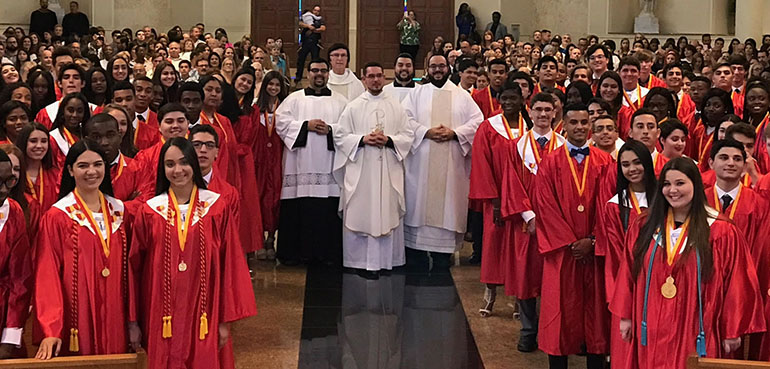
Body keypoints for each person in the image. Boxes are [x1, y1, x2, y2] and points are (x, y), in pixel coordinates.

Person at [611, 157, 765, 369]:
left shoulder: (721, 232)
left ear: (696, 185)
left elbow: (736, 283)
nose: (672, 190)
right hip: (651, 324)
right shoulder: (644, 226)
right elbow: (628, 272)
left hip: (696, 327)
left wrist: (732, 330)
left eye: (680, 183)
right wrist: (626, 316)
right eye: (666, 184)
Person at [129, 138, 256, 369]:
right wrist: (134, 320)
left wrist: (225, 320)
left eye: (184, 162)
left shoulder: (216, 207)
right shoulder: (150, 211)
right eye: (169, 164)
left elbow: (231, 264)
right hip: (160, 313)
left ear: (194, 165)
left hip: (205, 312)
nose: (177, 170)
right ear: (162, 169)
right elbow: (135, 268)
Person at [34, 140, 131, 359]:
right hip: (76, 316)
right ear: (70, 170)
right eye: (83, 166)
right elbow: (47, 274)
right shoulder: (57, 216)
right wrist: (51, 328)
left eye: (98, 164)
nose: (92, 171)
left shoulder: (120, 212)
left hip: (116, 315)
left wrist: (134, 321)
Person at [533, 103, 612, 369]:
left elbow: (610, 207)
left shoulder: (605, 162)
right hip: (562, 252)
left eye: (583, 122)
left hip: (595, 251)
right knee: (560, 311)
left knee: (596, 314)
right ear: (563, 125)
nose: (579, 127)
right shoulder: (550, 162)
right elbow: (544, 205)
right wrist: (570, 242)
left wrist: (593, 241)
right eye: (574, 122)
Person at [401, 54, 483, 272]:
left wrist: (455, 133)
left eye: (441, 66)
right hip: (421, 164)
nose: (438, 70)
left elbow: (478, 122)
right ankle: (417, 256)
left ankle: (441, 258)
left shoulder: (462, 96)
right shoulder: (416, 94)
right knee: (419, 206)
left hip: (451, 164)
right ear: (427, 69)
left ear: (449, 68)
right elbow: (403, 120)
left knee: (447, 208)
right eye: (433, 66)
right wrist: (425, 132)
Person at [332, 62, 414, 275]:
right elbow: (340, 135)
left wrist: (388, 140)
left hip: (388, 169)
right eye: (371, 76)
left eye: (379, 76)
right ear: (363, 79)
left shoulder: (397, 106)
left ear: (384, 78)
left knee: (387, 210)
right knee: (362, 210)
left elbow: (408, 136)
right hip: (362, 169)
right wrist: (362, 139)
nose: (376, 80)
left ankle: (388, 262)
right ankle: (359, 263)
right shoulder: (353, 106)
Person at [275, 59, 346, 266]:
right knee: (299, 210)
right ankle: (294, 255)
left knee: (327, 211)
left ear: (328, 74)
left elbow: (348, 127)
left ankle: (329, 255)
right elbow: (281, 123)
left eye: (323, 71)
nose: (319, 74)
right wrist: (306, 125)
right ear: (308, 73)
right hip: (300, 165)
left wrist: (330, 130)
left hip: (329, 166)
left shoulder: (341, 101)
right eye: (315, 70)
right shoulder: (293, 99)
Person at [597, 140, 657, 368]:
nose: (632, 169)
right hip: (628, 287)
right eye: (625, 164)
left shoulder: (664, 199)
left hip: (659, 284)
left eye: (637, 162)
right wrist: (620, 300)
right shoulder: (615, 206)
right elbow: (614, 257)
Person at [0, 149, 32, 359]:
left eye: (8, 181)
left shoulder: (14, 211)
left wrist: (9, 339)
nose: (3, 190)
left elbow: (20, 278)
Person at [252, 72, 288, 259]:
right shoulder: (255, 108)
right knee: (259, 197)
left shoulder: (286, 108)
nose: (273, 88)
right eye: (270, 84)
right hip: (259, 159)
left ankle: (271, 239)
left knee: (274, 199)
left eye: (277, 85)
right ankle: (259, 239)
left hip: (278, 158)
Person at [81, 113, 143, 205]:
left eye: (110, 135)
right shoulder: (77, 171)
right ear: (87, 140)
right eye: (96, 137)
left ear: (119, 136)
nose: (104, 143)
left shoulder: (138, 168)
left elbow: (143, 204)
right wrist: (126, 204)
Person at [35, 63, 97, 130]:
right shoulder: (45, 114)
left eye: (76, 78)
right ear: (59, 83)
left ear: (83, 83)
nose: (71, 81)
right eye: (66, 77)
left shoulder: (97, 111)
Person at [17, 123, 59, 211]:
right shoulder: (15, 173)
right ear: (23, 142)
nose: (39, 146)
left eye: (44, 141)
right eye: (33, 141)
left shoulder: (56, 175)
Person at [694, 88, 734, 171]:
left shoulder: (729, 132)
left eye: (716, 106)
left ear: (726, 109)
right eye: (707, 105)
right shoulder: (698, 130)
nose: (710, 109)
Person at [49, 92, 90, 167]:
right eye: (70, 110)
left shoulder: (87, 136)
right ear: (63, 112)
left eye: (79, 111)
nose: (74, 115)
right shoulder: (53, 138)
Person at [596, 71, 634, 140]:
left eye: (613, 87)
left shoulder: (627, 113)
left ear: (619, 90)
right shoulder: (592, 111)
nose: (609, 90)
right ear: (599, 88)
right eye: (605, 86)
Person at [296, 5, 325, 85]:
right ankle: (298, 77)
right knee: (301, 60)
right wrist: (308, 26)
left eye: (318, 11)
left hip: (315, 43)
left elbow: (323, 28)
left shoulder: (320, 19)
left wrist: (314, 30)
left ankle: (314, 77)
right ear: (313, 10)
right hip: (305, 43)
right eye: (315, 10)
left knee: (315, 61)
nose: (316, 12)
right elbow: (300, 23)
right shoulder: (307, 17)